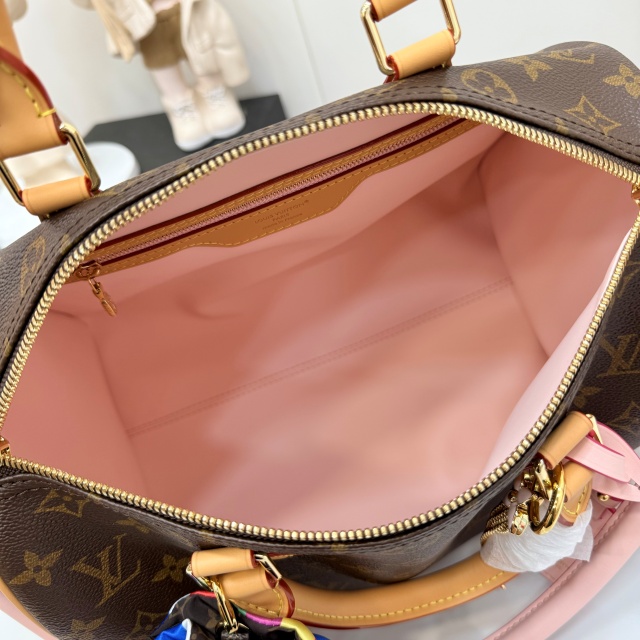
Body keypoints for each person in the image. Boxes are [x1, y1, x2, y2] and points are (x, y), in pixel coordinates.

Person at [74, 0, 250, 151]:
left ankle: (215, 92)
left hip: (186, 10)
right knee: (163, 65)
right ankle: (181, 106)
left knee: (203, 53)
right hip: (146, 23)